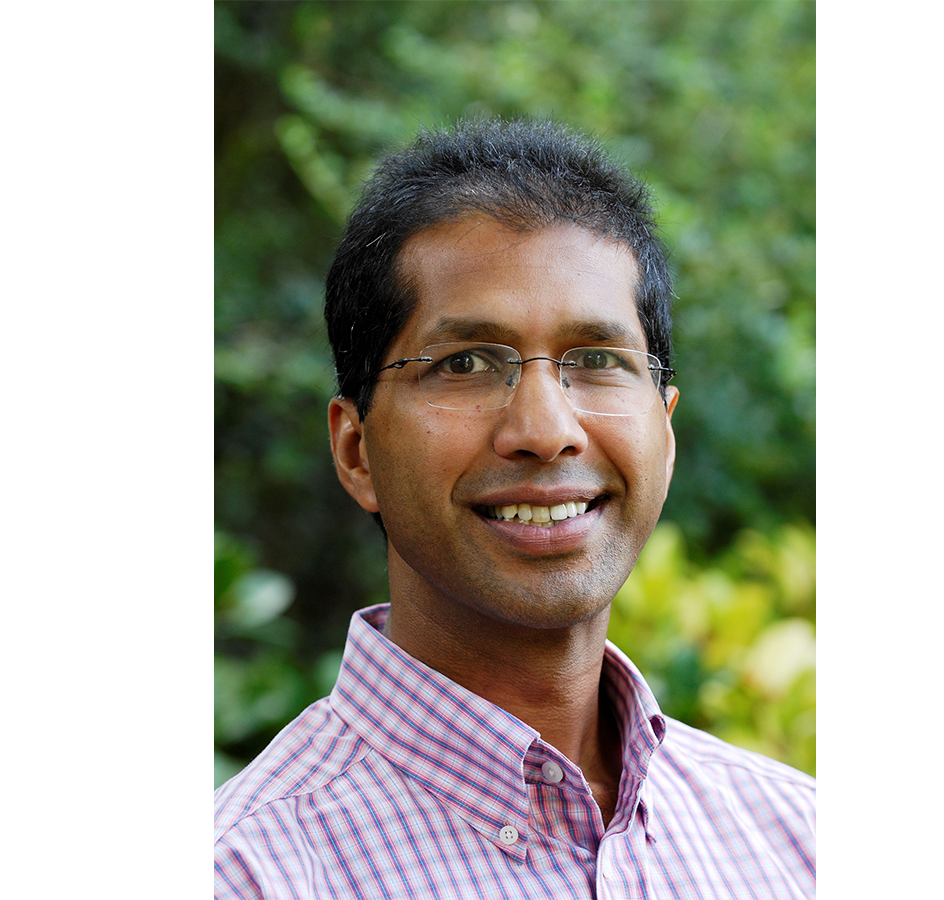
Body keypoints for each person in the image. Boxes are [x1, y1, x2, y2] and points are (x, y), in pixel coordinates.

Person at [214, 118, 815, 899]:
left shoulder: (799, 845)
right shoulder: (246, 875)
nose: (545, 431)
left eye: (597, 361)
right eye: (465, 362)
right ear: (357, 450)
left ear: (665, 432)